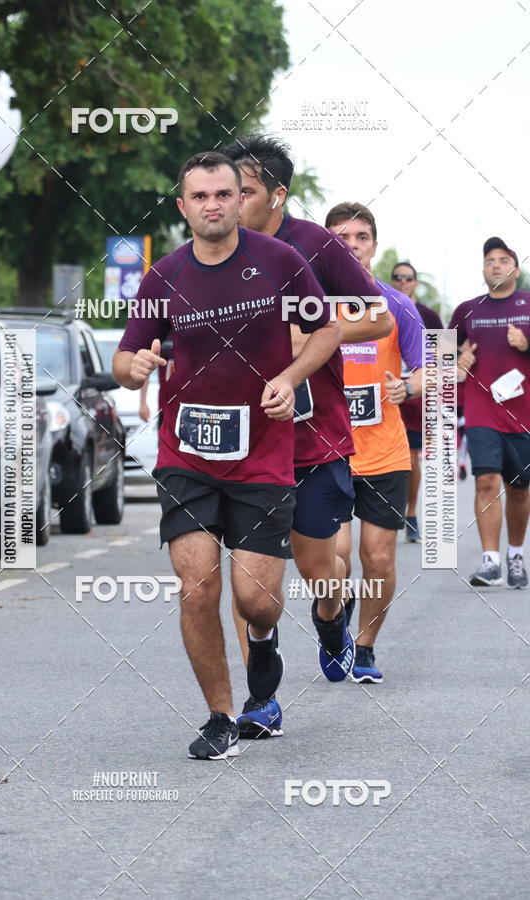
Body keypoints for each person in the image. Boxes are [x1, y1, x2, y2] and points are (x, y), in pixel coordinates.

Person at [113, 151, 341, 759]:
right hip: (184, 452)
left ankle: (263, 644)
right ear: (182, 205)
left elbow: (326, 331)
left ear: (241, 200)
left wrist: (290, 379)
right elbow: (126, 357)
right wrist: (133, 368)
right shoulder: (163, 276)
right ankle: (219, 717)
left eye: (225, 194)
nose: (213, 205)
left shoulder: (280, 262)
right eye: (201, 196)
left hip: (262, 454)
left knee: (255, 600)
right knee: (195, 588)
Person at [223, 135, 393, 738]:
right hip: (245, 445)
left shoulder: (315, 245)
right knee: (251, 585)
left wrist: (309, 340)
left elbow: (378, 316)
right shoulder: (215, 249)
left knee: (321, 568)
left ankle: (330, 618)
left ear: (275, 194)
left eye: (243, 191)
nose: (231, 204)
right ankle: (260, 702)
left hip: (314, 437)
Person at [325, 202, 424, 683]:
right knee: (335, 555)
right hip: (328, 450)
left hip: (385, 451)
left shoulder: (395, 305)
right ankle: (335, 614)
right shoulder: (308, 305)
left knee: (379, 557)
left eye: (361, 237)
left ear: (374, 246)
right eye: (341, 238)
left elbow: (431, 366)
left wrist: (408, 386)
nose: (352, 246)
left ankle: (364, 647)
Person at [449, 237, 530, 589]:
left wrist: (527, 345)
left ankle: (515, 554)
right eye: (489, 261)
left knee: (520, 489)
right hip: (482, 410)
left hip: (523, 414)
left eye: (502, 259)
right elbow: (436, 355)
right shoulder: (468, 310)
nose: (495, 265)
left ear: (515, 267)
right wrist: (457, 360)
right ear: (483, 270)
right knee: (485, 481)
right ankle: (490, 561)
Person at [390, 262, 443, 542]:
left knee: (410, 458)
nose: (403, 282)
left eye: (408, 278)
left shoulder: (429, 316)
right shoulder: (380, 306)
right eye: (397, 278)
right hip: (383, 390)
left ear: (415, 283)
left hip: (414, 394)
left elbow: (443, 360)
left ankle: (410, 514)